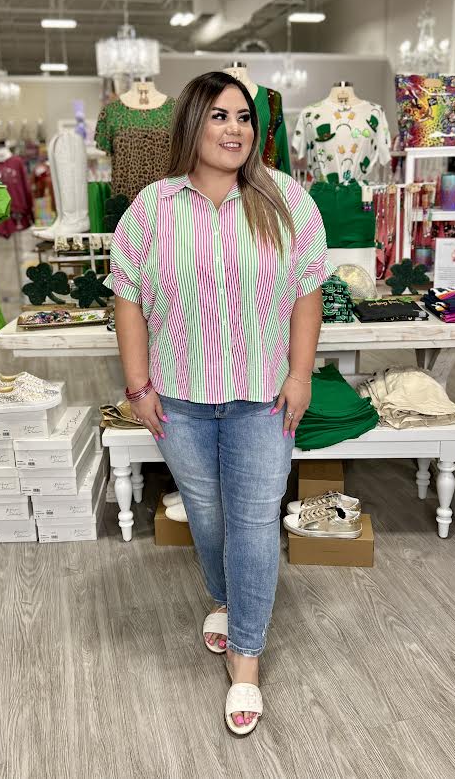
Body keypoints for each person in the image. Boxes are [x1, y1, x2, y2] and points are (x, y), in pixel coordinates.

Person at [107, 71, 331, 736]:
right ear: (192, 125)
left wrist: (300, 377)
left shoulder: (287, 200)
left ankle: (247, 656)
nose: (234, 128)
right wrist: (139, 386)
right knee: (205, 513)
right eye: (218, 116)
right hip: (179, 398)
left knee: (256, 521)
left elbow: (306, 292)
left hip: (263, 398)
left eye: (243, 117)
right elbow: (127, 298)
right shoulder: (151, 207)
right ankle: (227, 602)